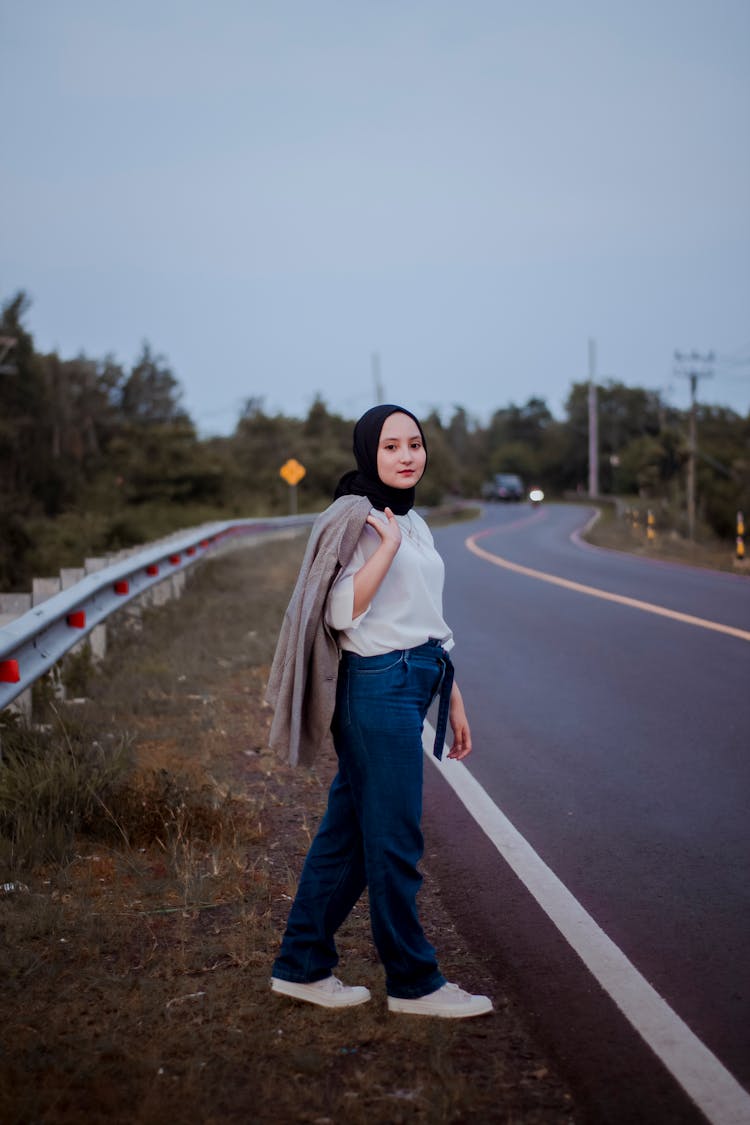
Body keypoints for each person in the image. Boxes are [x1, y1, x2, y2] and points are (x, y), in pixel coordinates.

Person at [266, 404, 493, 1019]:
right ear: (369, 452)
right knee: (394, 838)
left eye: (414, 444)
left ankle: (301, 966)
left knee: (350, 836)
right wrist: (385, 547)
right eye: (391, 446)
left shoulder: (415, 521)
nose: (405, 455)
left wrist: (455, 696)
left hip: (418, 677)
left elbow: (427, 619)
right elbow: (339, 612)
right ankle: (414, 983)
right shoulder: (357, 519)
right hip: (374, 686)